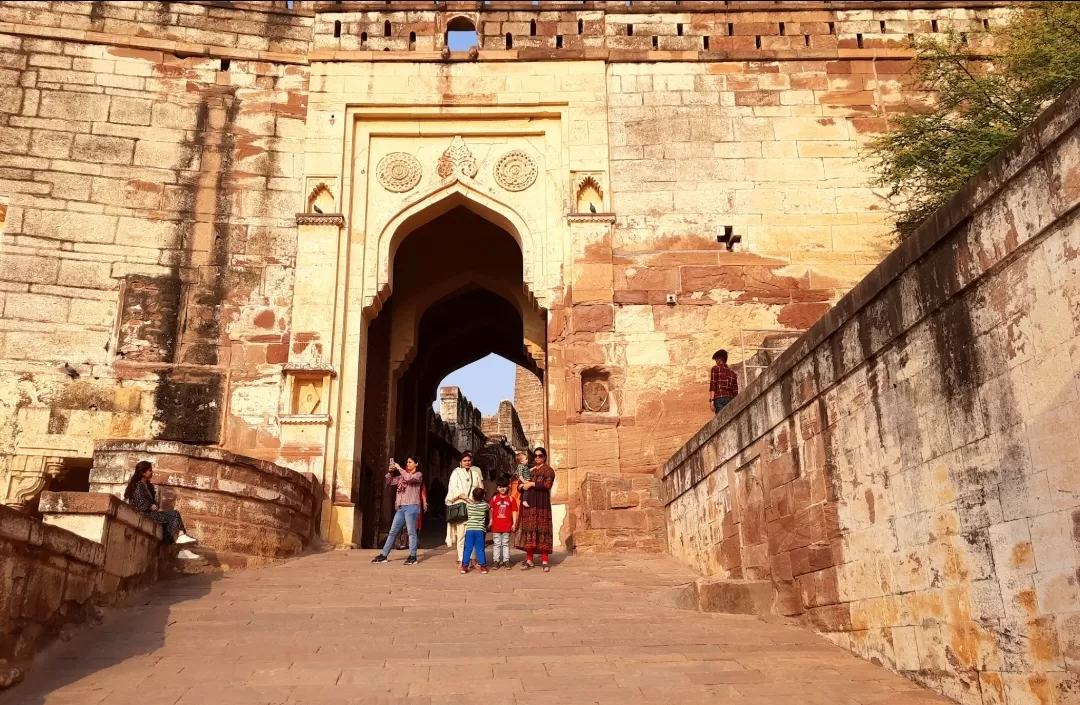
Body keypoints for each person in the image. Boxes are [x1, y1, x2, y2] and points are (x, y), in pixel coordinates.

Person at [123, 460, 199, 560]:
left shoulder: (148, 486)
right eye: (149, 470)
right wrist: (151, 506)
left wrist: (157, 508)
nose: (152, 472)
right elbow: (138, 503)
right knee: (174, 514)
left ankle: (180, 549)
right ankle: (180, 538)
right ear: (143, 473)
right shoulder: (137, 486)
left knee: (170, 521)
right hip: (143, 514)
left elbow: (152, 502)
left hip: (150, 512)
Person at [372, 456, 423, 565]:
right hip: (401, 508)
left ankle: (413, 556)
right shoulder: (401, 476)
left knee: (411, 532)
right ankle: (384, 555)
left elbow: (409, 478)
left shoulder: (418, 475)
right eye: (407, 462)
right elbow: (390, 481)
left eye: (410, 462)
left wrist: (399, 468)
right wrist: (390, 471)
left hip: (412, 506)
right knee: (392, 532)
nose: (408, 464)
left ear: (416, 464)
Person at [516, 446, 555, 572]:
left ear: (544, 457)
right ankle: (529, 560)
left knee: (543, 531)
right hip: (530, 504)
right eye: (536, 455)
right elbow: (518, 485)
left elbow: (547, 485)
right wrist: (522, 486)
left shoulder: (549, 470)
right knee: (529, 532)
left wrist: (532, 484)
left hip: (542, 504)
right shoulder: (529, 471)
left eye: (540, 455)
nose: (537, 458)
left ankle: (544, 561)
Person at [445, 451, 483, 566]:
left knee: (472, 534)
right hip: (461, 505)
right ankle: (462, 559)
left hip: (473, 507)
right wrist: (466, 498)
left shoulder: (475, 473)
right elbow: (453, 488)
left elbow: (480, 489)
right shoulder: (456, 473)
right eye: (465, 461)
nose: (467, 462)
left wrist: (478, 500)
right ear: (460, 462)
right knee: (461, 535)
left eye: (469, 460)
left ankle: (473, 558)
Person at [489, 475, 518, 569]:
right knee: (497, 544)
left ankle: (506, 560)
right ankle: (496, 561)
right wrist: (490, 522)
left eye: (504, 486)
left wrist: (514, 523)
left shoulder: (511, 499)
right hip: (496, 526)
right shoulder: (494, 499)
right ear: (497, 487)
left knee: (505, 543)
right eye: (500, 487)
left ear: (508, 487)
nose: (502, 489)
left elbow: (514, 511)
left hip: (506, 526)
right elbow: (491, 511)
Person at [461, 487, 490, 574]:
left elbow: (470, 504)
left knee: (468, 549)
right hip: (480, 530)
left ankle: (464, 567)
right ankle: (483, 567)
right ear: (483, 496)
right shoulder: (484, 505)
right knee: (480, 549)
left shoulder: (469, 506)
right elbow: (489, 506)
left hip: (470, 530)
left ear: (473, 497)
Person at [710, 349, 739, 413]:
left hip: (719, 398)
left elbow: (713, 385)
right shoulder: (733, 374)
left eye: (716, 360)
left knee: (720, 420)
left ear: (719, 360)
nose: (716, 362)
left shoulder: (715, 369)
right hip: (730, 399)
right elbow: (735, 391)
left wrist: (711, 401)